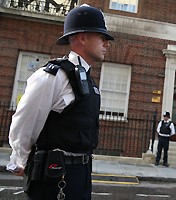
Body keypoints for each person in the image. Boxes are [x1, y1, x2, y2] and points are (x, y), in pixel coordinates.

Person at [6, 4, 114, 200]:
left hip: (80, 175)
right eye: (101, 37)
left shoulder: (87, 80)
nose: (107, 43)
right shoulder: (53, 76)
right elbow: (26, 118)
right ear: (82, 37)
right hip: (53, 177)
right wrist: (19, 159)